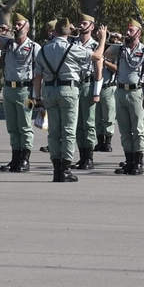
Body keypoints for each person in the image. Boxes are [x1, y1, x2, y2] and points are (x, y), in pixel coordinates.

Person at [37, 18, 104, 182]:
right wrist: (102, 39)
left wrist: (38, 97)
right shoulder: (73, 48)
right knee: (68, 131)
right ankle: (65, 169)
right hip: (68, 90)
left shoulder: (44, 49)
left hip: (49, 91)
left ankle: (56, 169)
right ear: (68, 31)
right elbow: (97, 56)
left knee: (53, 131)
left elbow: (37, 76)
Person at [112, 21, 144, 176]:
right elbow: (101, 54)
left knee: (137, 129)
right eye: (127, 30)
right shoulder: (120, 50)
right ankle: (129, 161)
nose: (128, 33)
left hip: (136, 92)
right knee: (124, 129)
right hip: (120, 91)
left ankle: (138, 162)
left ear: (138, 33)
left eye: (131, 30)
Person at [0, 15, 38, 172]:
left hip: (25, 90)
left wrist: (36, 96)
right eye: (15, 24)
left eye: (20, 24)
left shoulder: (34, 47)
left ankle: (25, 159)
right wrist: (2, 31)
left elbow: (39, 72)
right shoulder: (7, 43)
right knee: (12, 126)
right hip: (8, 89)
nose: (16, 27)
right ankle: (15, 158)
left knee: (25, 125)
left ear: (27, 28)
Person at [72, 15, 103, 173]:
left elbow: (98, 70)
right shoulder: (73, 43)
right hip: (75, 85)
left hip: (88, 84)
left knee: (89, 123)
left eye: (84, 23)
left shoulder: (96, 45)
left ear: (92, 27)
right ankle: (82, 156)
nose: (81, 25)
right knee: (77, 123)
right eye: (80, 23)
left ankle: (89, 158)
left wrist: (96, 92)